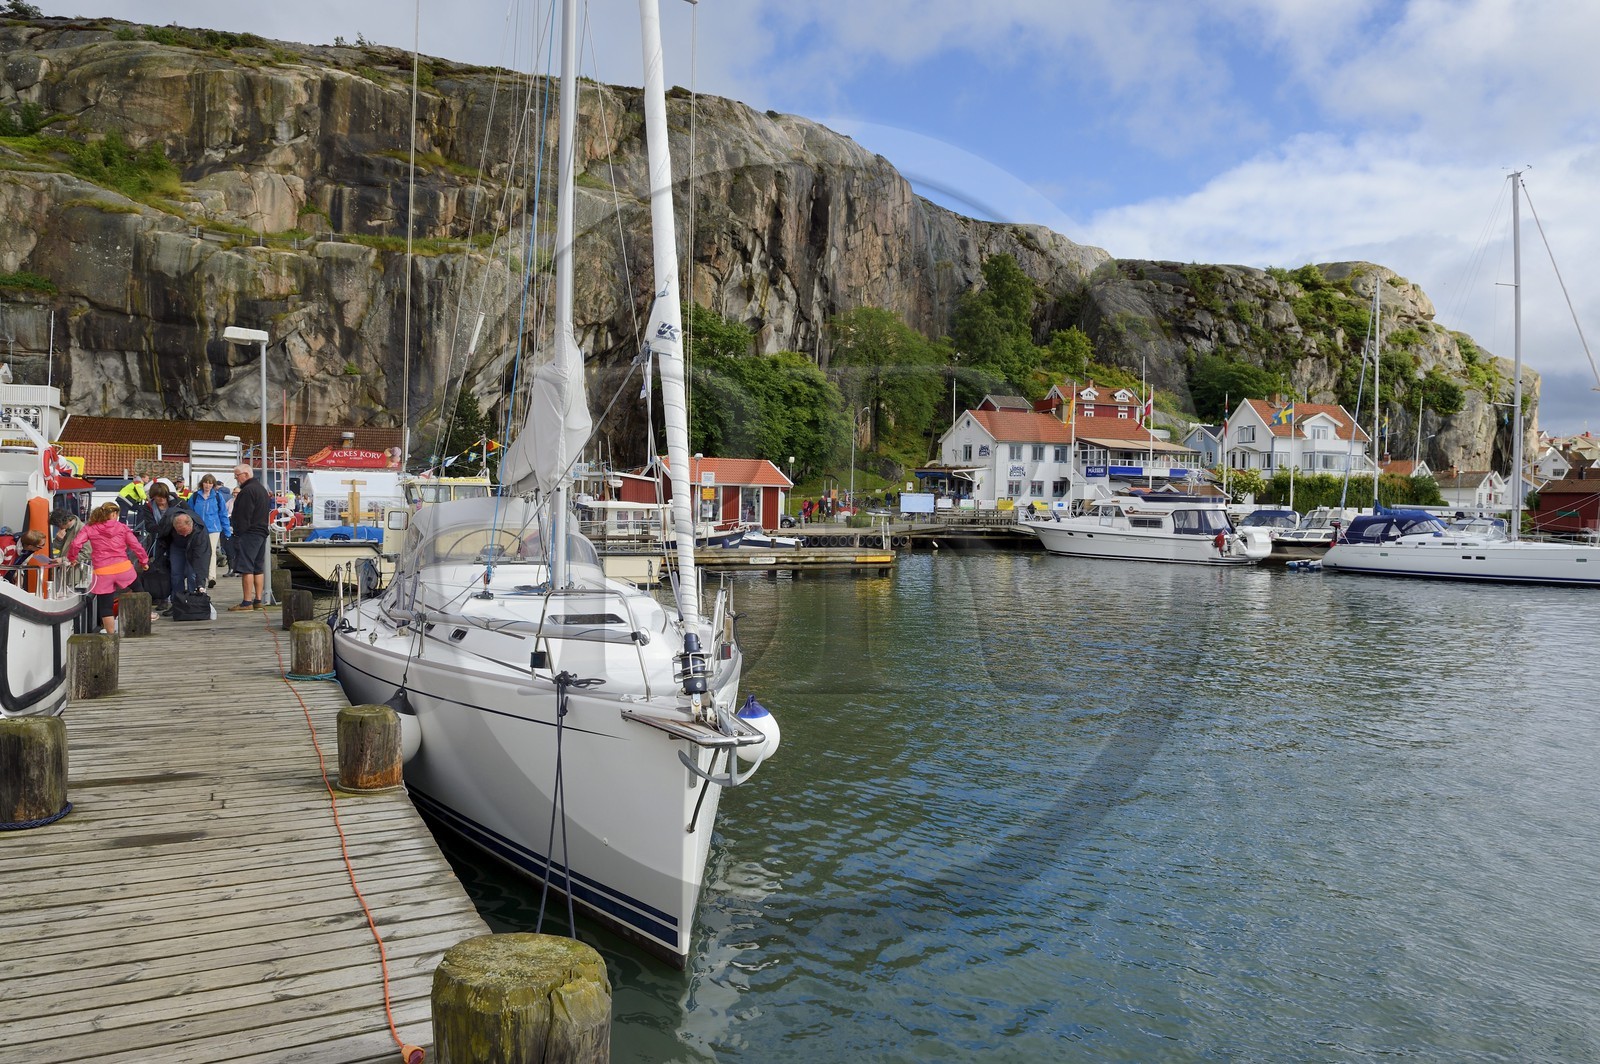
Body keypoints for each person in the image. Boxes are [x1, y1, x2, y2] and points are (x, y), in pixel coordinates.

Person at [68, 502, 148, 636]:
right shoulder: (122, 527)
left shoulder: (90, 528)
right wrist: (144, 561)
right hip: (123, 568)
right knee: (138, 588)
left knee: (105, 605)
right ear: (114, 514)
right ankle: (145, 616)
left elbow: (76, 544)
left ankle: (111, 635)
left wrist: (72, 558)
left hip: (102, 572)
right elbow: (136, 546)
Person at [229, 462, 271, 610]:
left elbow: (243, 515)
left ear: (245, 475)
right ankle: (258, 600)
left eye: (237, 476)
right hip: (261, 532)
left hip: (249, 533)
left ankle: (247, 602)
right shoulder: (261, 489)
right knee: (258, 566)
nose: (236, 479)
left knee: (246, 566)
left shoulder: (247, 491)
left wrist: (238, 533)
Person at [186, 474, 232, 588]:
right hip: (198, 528)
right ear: (202, 483)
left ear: (213, 485)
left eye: (210, 483)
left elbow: (223, 514)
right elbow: (189, 512)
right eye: (206, 482)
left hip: (213, 528)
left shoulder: (218, 497)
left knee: (211, 552)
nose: (208, 485)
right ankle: (201, 575)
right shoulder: (195, 496)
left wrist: (227, 531)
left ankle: (211, 577)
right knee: (198, 552)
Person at [166, 512, 211, 598]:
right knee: (176, 574)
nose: (184, 535)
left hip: (194, 547)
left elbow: (201, 559)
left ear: (191, 525)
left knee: (192, 574)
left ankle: (193, 599)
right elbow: (162, 537)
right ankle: (177, 599)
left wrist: (201, 584)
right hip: (176, 546)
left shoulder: (201, 533)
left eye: (186, 532)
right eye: (180, 532)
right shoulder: (168, 523)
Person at [49, 509, 90, 590]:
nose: (59, 528)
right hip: (64, 572)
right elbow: (59, 547)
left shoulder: (83, 530)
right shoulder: (66, 528)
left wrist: (64, 559)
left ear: (66, 521)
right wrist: (58, 539)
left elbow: (87, 553)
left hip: (75, 575)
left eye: (59, 525)